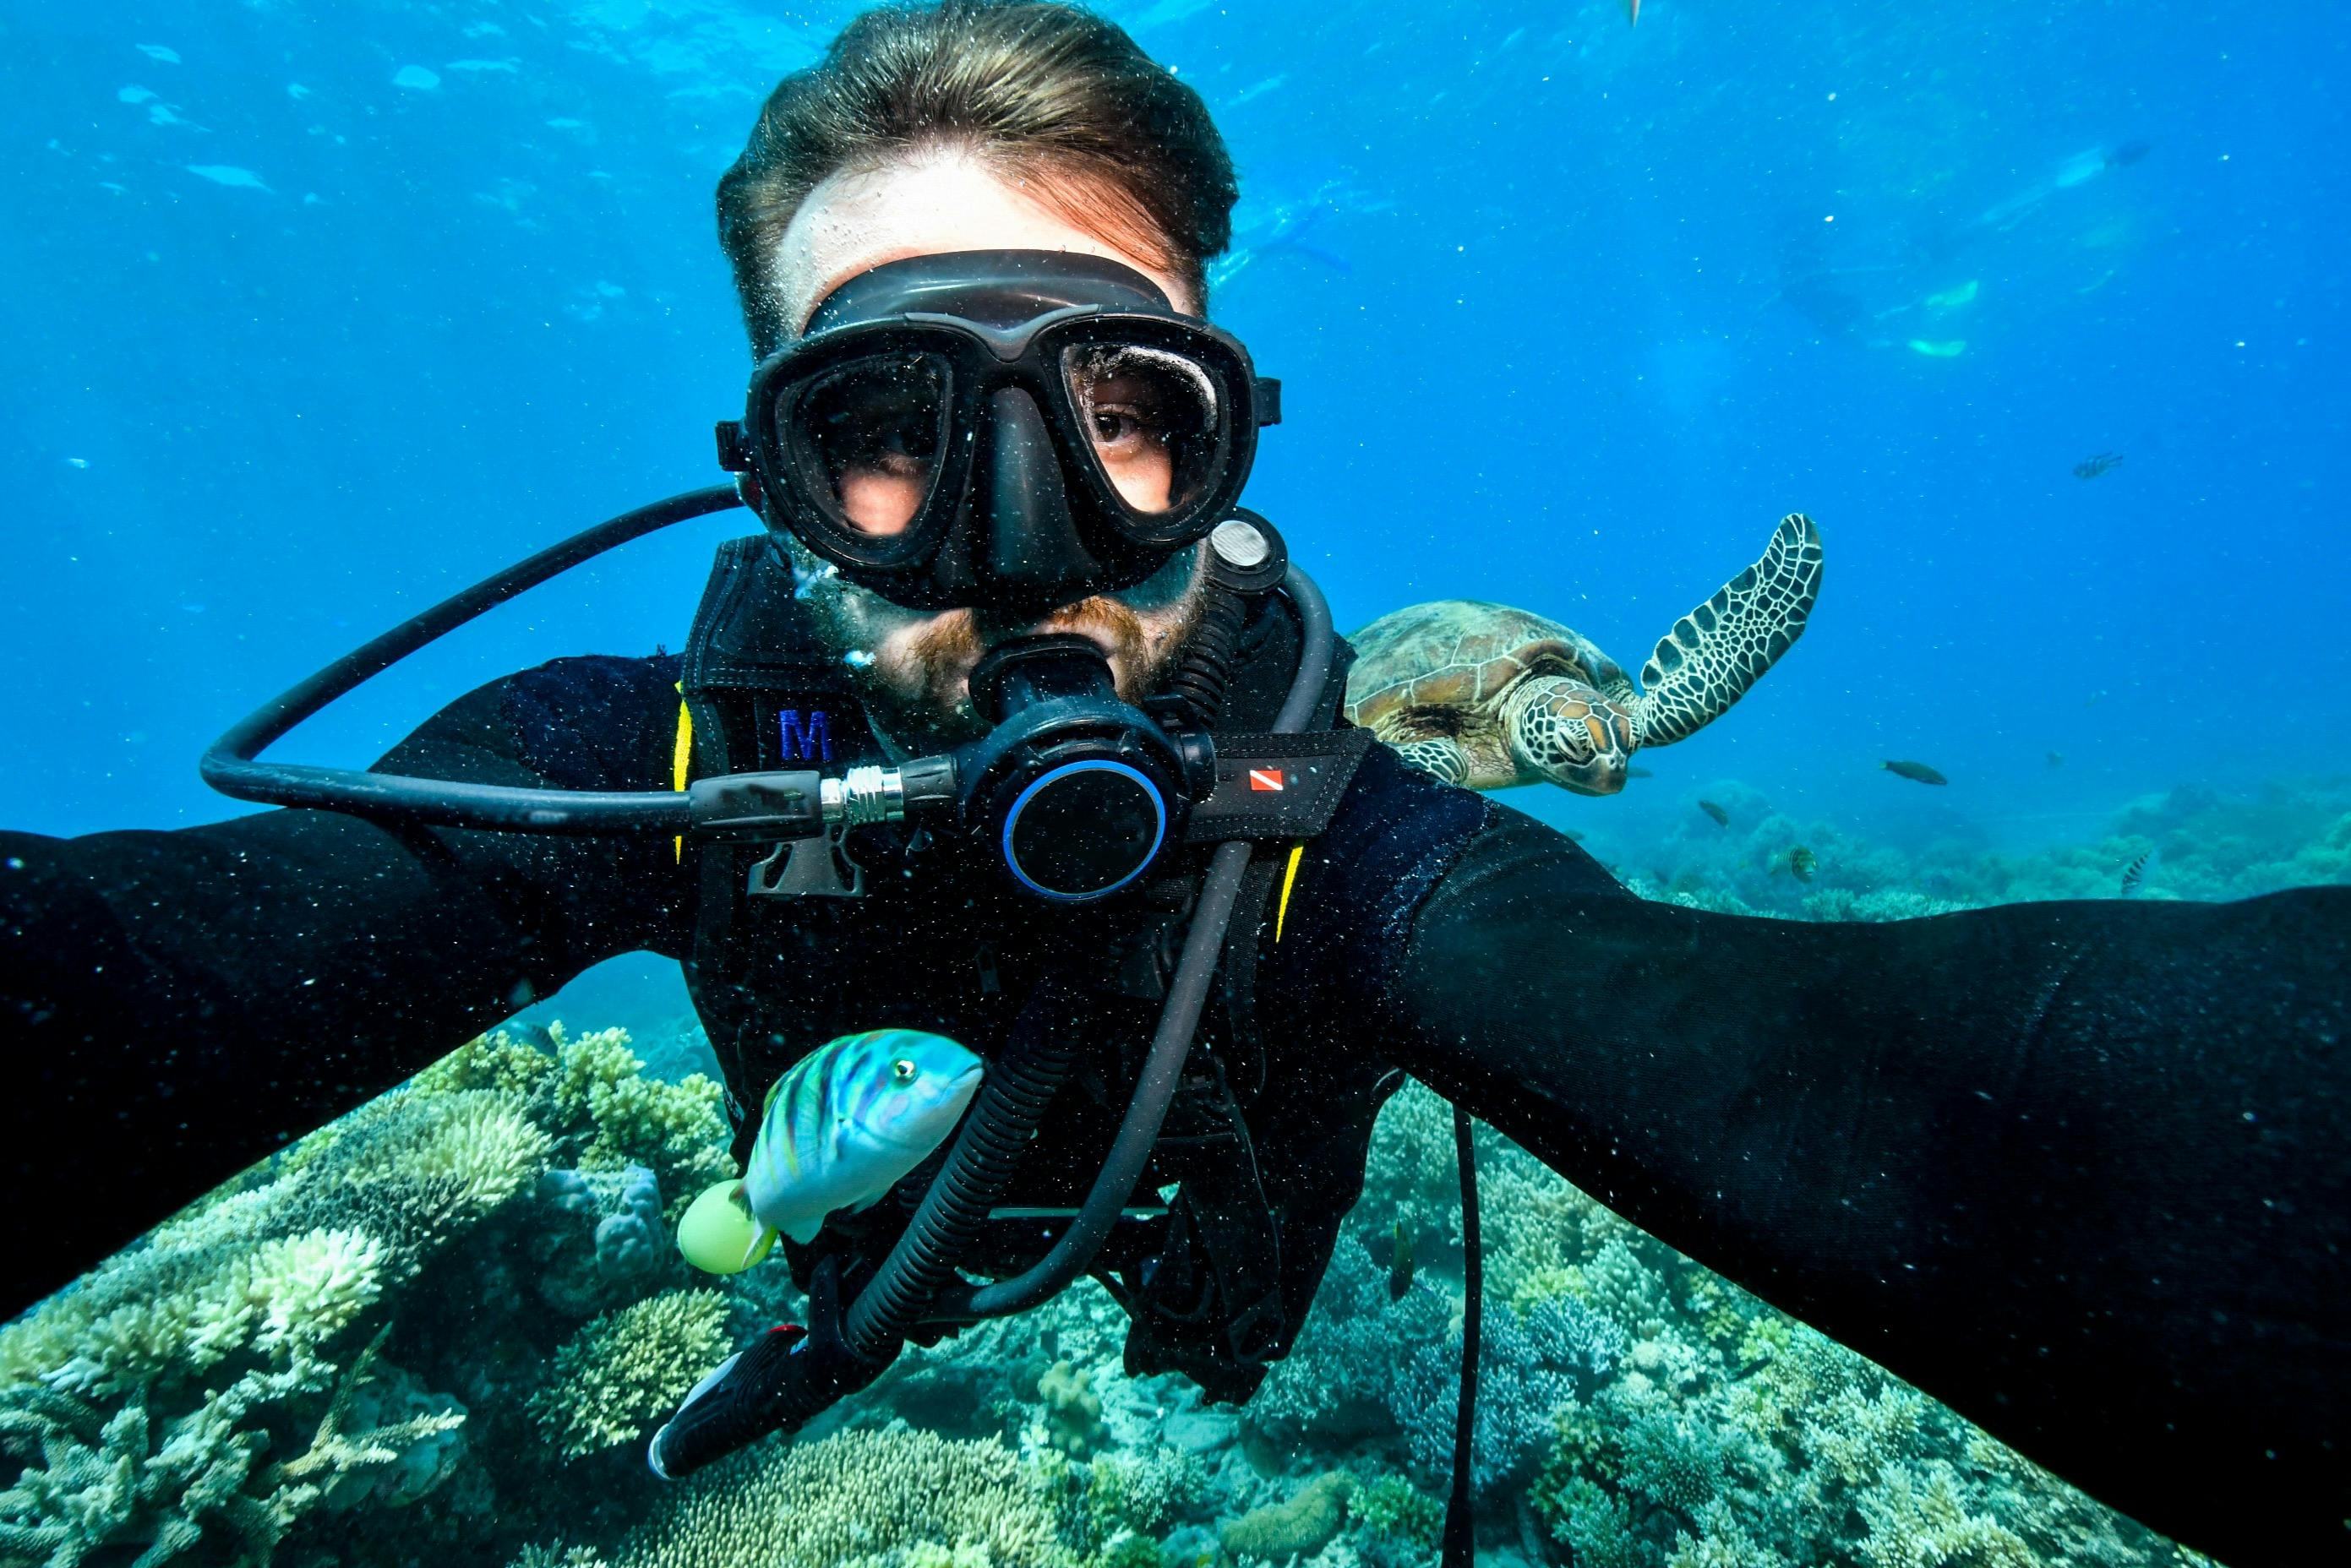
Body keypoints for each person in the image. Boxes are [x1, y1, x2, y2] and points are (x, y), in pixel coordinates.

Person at [1, 5, 2341, 1562]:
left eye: (1124, 411)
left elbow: (1878, 1094)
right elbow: (135, 967)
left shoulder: (1340, 813)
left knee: (1228, 1323)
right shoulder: (656, 763)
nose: (1029, 539)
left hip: (1224, 1274)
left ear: (1227, 451)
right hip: (861, 1257)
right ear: (772, 484)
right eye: (890, 427)